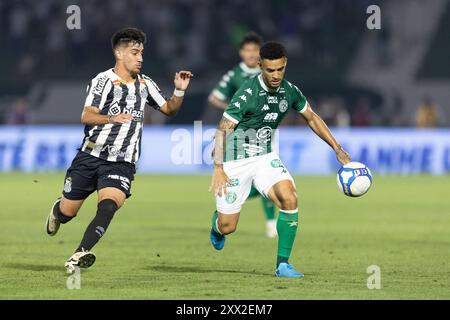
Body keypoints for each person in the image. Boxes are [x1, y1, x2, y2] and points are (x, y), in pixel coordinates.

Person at [45, 27, 193, 273]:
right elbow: (87, 115)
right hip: (90, 156)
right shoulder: (103, 81)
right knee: (68, 212)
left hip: (121, 162)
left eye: (142, 53)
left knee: (109, 205)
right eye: (135, 53)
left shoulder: (145, 84)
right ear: (119, 53)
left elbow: (169, 109)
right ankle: (57, 210)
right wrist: (111, 119)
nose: (140, 58)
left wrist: (179, 90)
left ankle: (79, 254)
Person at [208, 41, 351, 277]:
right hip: (235, 160)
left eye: (280, 69)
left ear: (285, 65)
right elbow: (223, 129)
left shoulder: (290, 91)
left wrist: (337, 148)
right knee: (228, 226)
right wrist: (218, 167)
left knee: (289, 196)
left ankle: (282, 264)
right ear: (260, 66)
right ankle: (216, 226)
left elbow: (312, 118)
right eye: (269, 70)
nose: (275, 75)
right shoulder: (246, 93)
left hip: (264, 156)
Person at [208, 32, 278, 238]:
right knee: (247, 180)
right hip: (239, 136)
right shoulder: (234, 75)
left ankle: (271, 223)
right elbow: (214, 98)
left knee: (269, 177)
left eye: (254, 50)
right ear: (241, 52)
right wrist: (231, 108)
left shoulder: (267, 72)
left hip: (266, 134)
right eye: (247, 50)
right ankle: (228, 207)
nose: (250, 54)